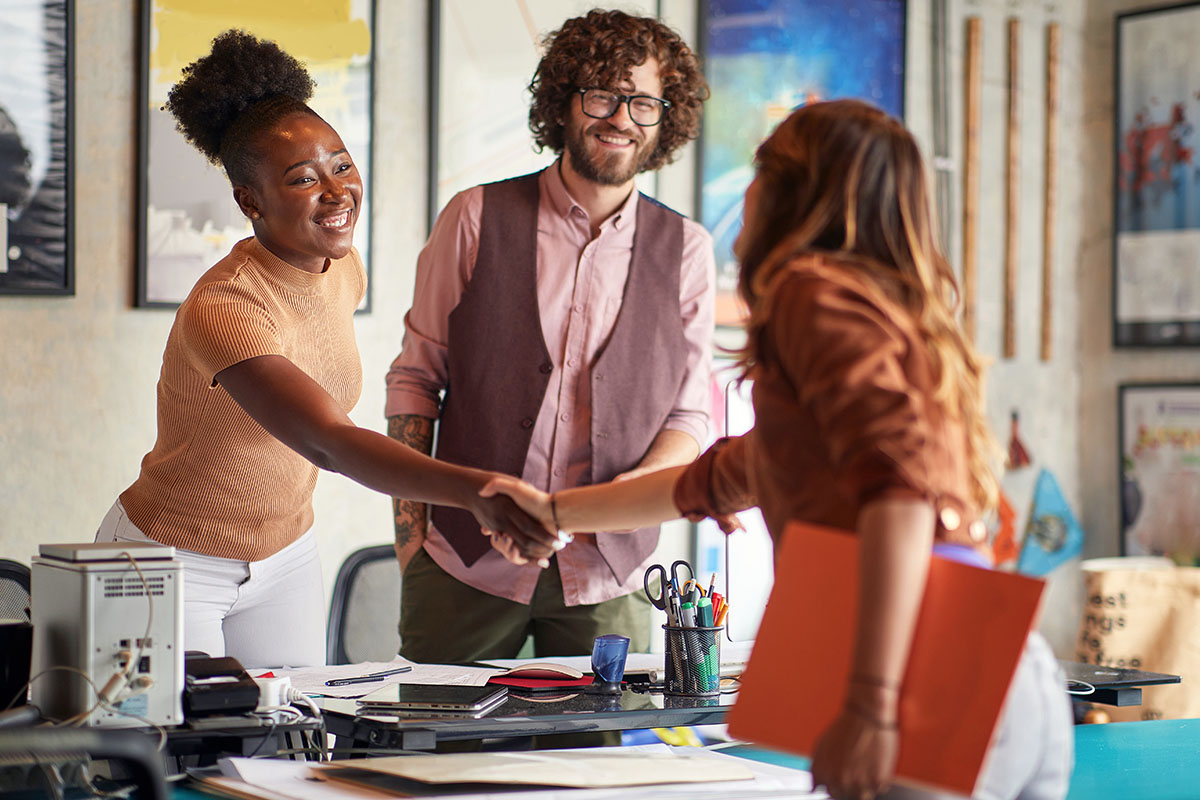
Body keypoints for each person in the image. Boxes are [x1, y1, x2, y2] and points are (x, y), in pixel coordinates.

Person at [482, 99, 1074, 799]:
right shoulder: (890, 327)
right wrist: (554, 510)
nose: (747, 189)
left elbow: (900, 490)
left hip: (923, 666)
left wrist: (871, 704)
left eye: (762, 168)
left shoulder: (808, 293)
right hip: (1009, 666)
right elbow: (708, 482)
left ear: (799, 192)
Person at [95, 30, 558, 670]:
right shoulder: (224, 307)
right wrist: (476, 490)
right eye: (304, 179)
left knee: (287, 750)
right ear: (249, 201)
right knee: (171, 755)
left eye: (341, 164)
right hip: (170, 562)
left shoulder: (341, 268)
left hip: (285, 556)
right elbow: (328, 440)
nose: (337, 192)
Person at [385, 9, 714, 665]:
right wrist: (410, 535)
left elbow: (690, 415)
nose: (621, 118)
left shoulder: (687, 251)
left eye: (643, 102)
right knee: (439, 759)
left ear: (663, 118)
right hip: (462, 566)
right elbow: (417, 381)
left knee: (594, 763)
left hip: (609, 581)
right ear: (563, 102)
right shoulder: (474, 218)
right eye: (601, 95)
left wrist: (615, 507)